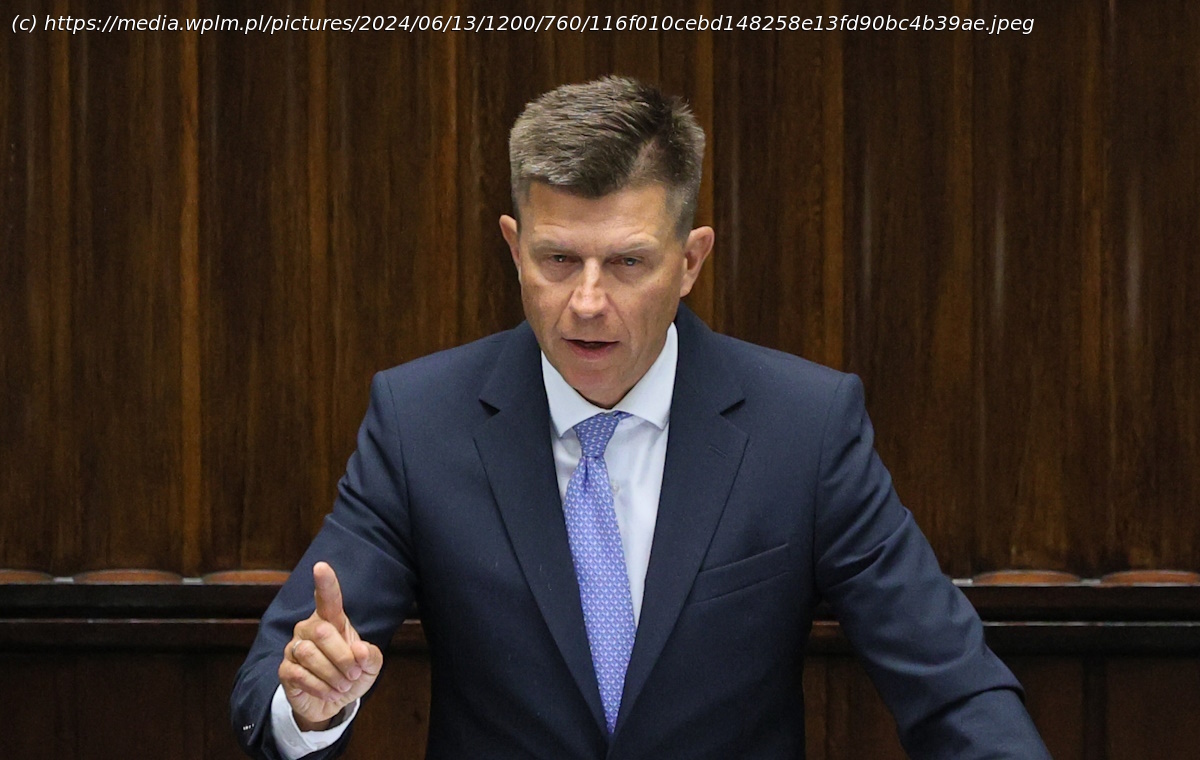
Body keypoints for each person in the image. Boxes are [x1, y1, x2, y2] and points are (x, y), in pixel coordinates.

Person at [231, 75, 1051, 759]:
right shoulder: (420, 422)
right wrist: (309, 706)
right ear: (514, 248)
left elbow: (955, 690)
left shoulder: (805, 428)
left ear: (690, 260)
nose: (588, 302)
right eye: (558, 259)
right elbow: (275, 680)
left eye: (627, 261)